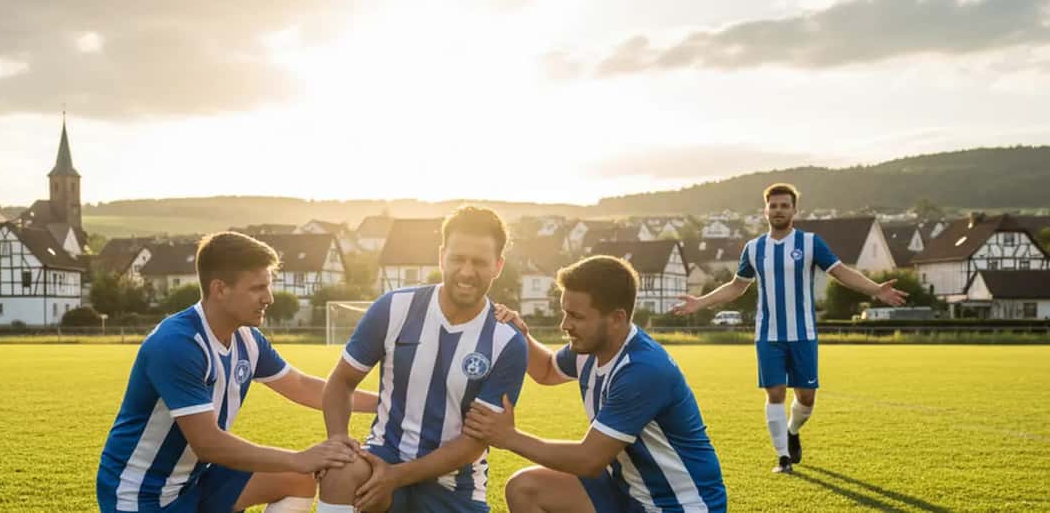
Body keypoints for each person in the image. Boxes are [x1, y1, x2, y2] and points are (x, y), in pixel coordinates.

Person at [97, 232, 377, 513]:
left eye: (268, 286)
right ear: (220, 289)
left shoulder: (248, 338)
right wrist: (301, 457)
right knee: (297, 468)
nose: (268, 298)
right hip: (140, 495)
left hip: (195, 481)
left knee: (295, 480)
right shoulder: (177, 344)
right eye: (257, 288)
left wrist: (385, 402)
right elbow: (209, 444)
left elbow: (302, 386)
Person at [671, 183, 908, 473]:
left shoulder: (810, 243)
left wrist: (875, 290)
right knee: (775, 393)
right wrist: (700, 302)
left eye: (784, 206)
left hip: (803, 333)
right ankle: (783, 457)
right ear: (765, 210)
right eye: (774, 206)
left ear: (794, 210)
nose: (778, 210)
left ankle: (793, 430)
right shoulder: (754, 248)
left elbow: (841, 272)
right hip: (768, 335)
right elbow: (736, 287)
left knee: (806, 398)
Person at [464, 255, 726, 513]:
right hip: (626, 490)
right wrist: (523, 335)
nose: (565, 325)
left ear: (616, 319)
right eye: (565, 312)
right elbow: (546, 370)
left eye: (576, 316)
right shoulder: (589, 350)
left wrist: (509, 437)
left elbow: (588, 460)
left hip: (680, 505)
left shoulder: (643, 370)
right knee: (525, 489)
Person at [317, 206, 529, 513]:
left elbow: (475, 441)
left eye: (480, 262)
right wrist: (338, 443)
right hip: (383, 458)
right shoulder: (394, 308)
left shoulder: (507, 340)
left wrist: (397, 477)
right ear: (442, 256)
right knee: (340, 471)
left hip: (456, 485)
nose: (467, 272)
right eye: (458, 259)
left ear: (498, 266)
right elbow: (341, 381)